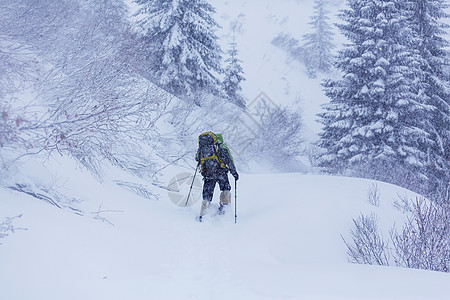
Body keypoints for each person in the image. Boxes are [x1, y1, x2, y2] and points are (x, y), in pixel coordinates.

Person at [195, 132, 239, 221]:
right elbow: (229, 160)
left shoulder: (203, 148)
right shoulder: (222, 147)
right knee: (225, 189)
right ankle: (224, 210)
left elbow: (197, 158)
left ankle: (203, 213)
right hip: (221, 172)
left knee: (207, 193)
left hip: (208, 174)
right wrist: (234, 172)